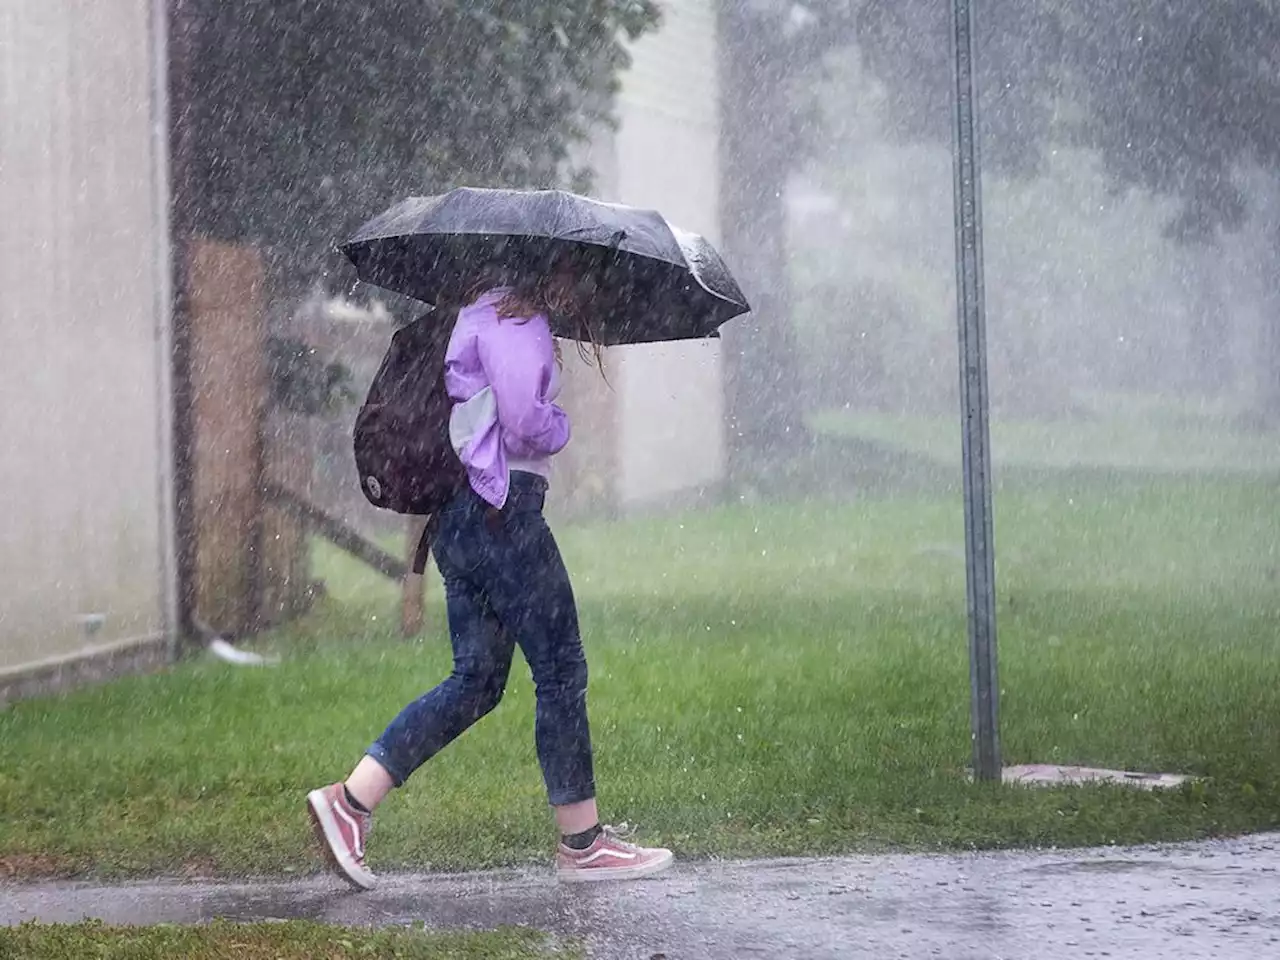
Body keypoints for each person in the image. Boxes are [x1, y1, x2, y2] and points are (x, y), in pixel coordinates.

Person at [307, 262, 673, 889]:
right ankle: (583, 845)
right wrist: (562, 422)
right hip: (502, 515)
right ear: (553, 268)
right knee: (561, 668)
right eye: (580, 279)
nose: (585, 293)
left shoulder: (473, 316)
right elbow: (527, 422)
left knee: (476, 681)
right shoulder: (515, 316)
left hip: (459, 521)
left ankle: (351, 802)